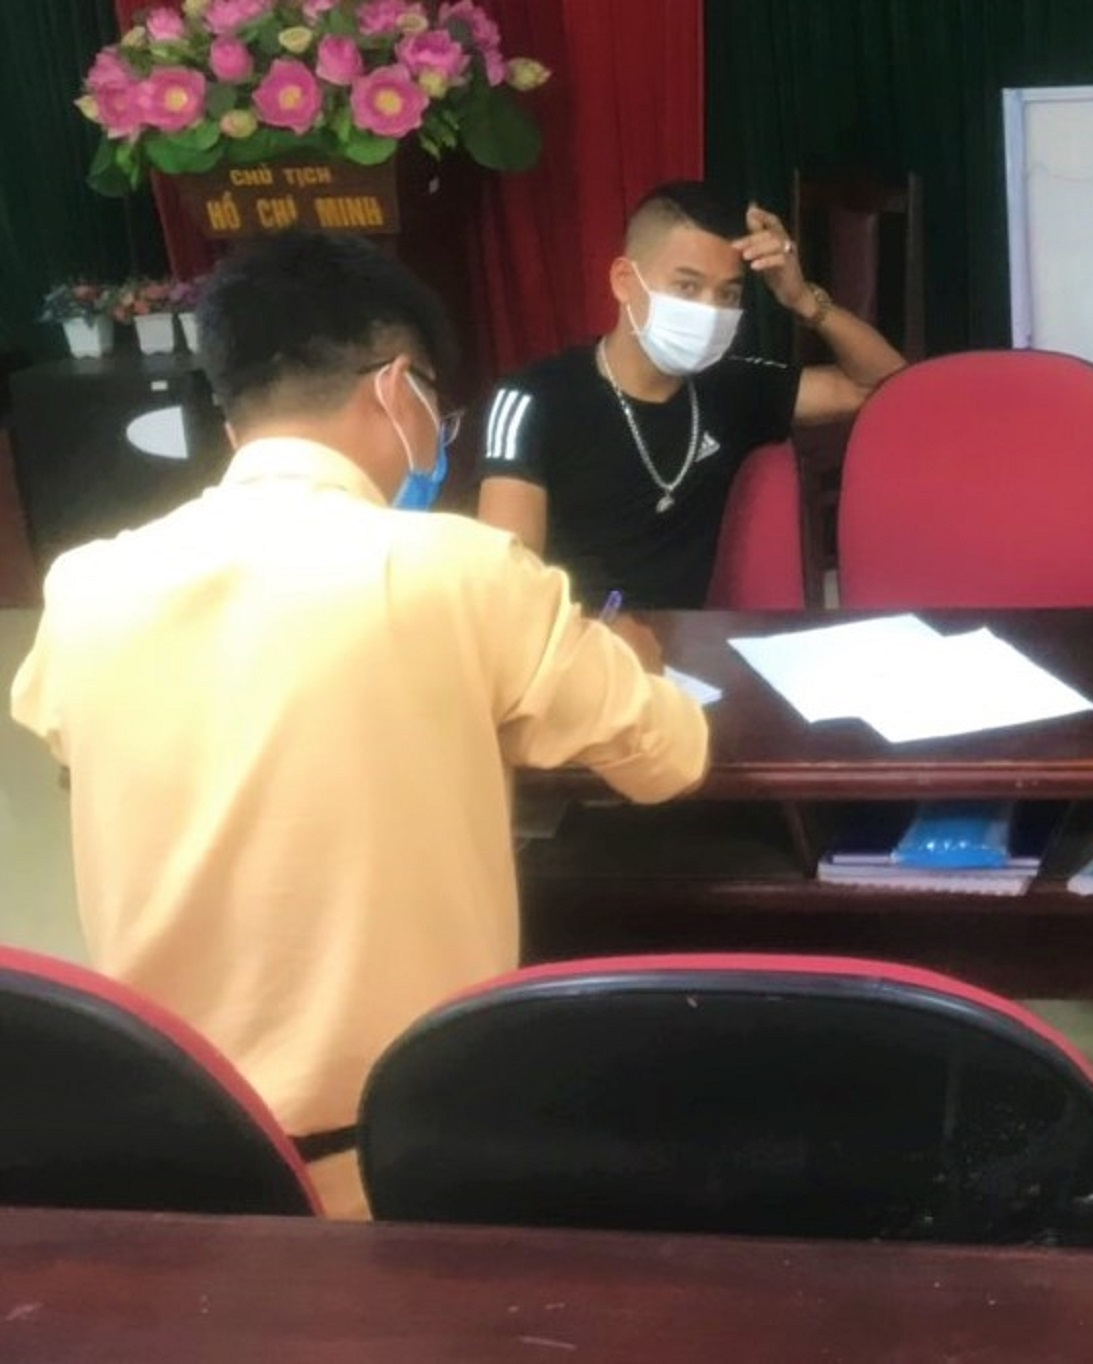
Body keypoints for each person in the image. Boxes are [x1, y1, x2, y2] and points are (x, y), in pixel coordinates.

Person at [9, 230, 710, 1219]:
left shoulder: (87, 586)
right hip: (408, 1162)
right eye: (437, 404)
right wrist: (625, 660)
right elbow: (671, 759)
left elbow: (78, 756)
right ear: (396, 388)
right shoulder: (462, 573)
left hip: (172, 1156)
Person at [477, 181, 908, 608]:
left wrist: (802, 299)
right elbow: (506, 590)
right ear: (624, 281)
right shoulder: (535, 399)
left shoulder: (731, 387)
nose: (709, 310)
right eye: (687, 287)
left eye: (728, 294)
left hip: (690, 643)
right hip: (572, 641)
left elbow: (883, 385)